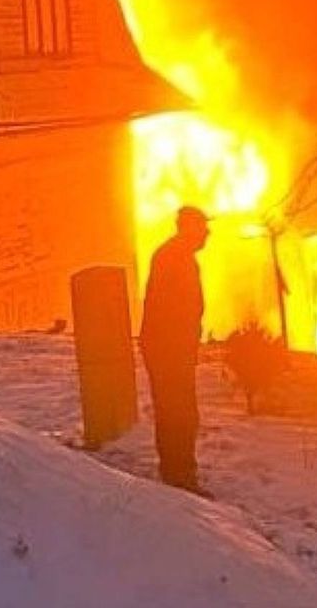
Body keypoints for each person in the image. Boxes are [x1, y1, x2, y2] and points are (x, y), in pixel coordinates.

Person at [139, 205, 209, 490]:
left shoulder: (175, 256)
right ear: (189, 228)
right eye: (204, 228)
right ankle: (178, 474)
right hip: (169, 349)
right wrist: (180, 344)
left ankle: (179, 471)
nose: (208, 234)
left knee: (178, 410)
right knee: (177, 411)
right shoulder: (175, 258)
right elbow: (174, 309)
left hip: (171, 347)